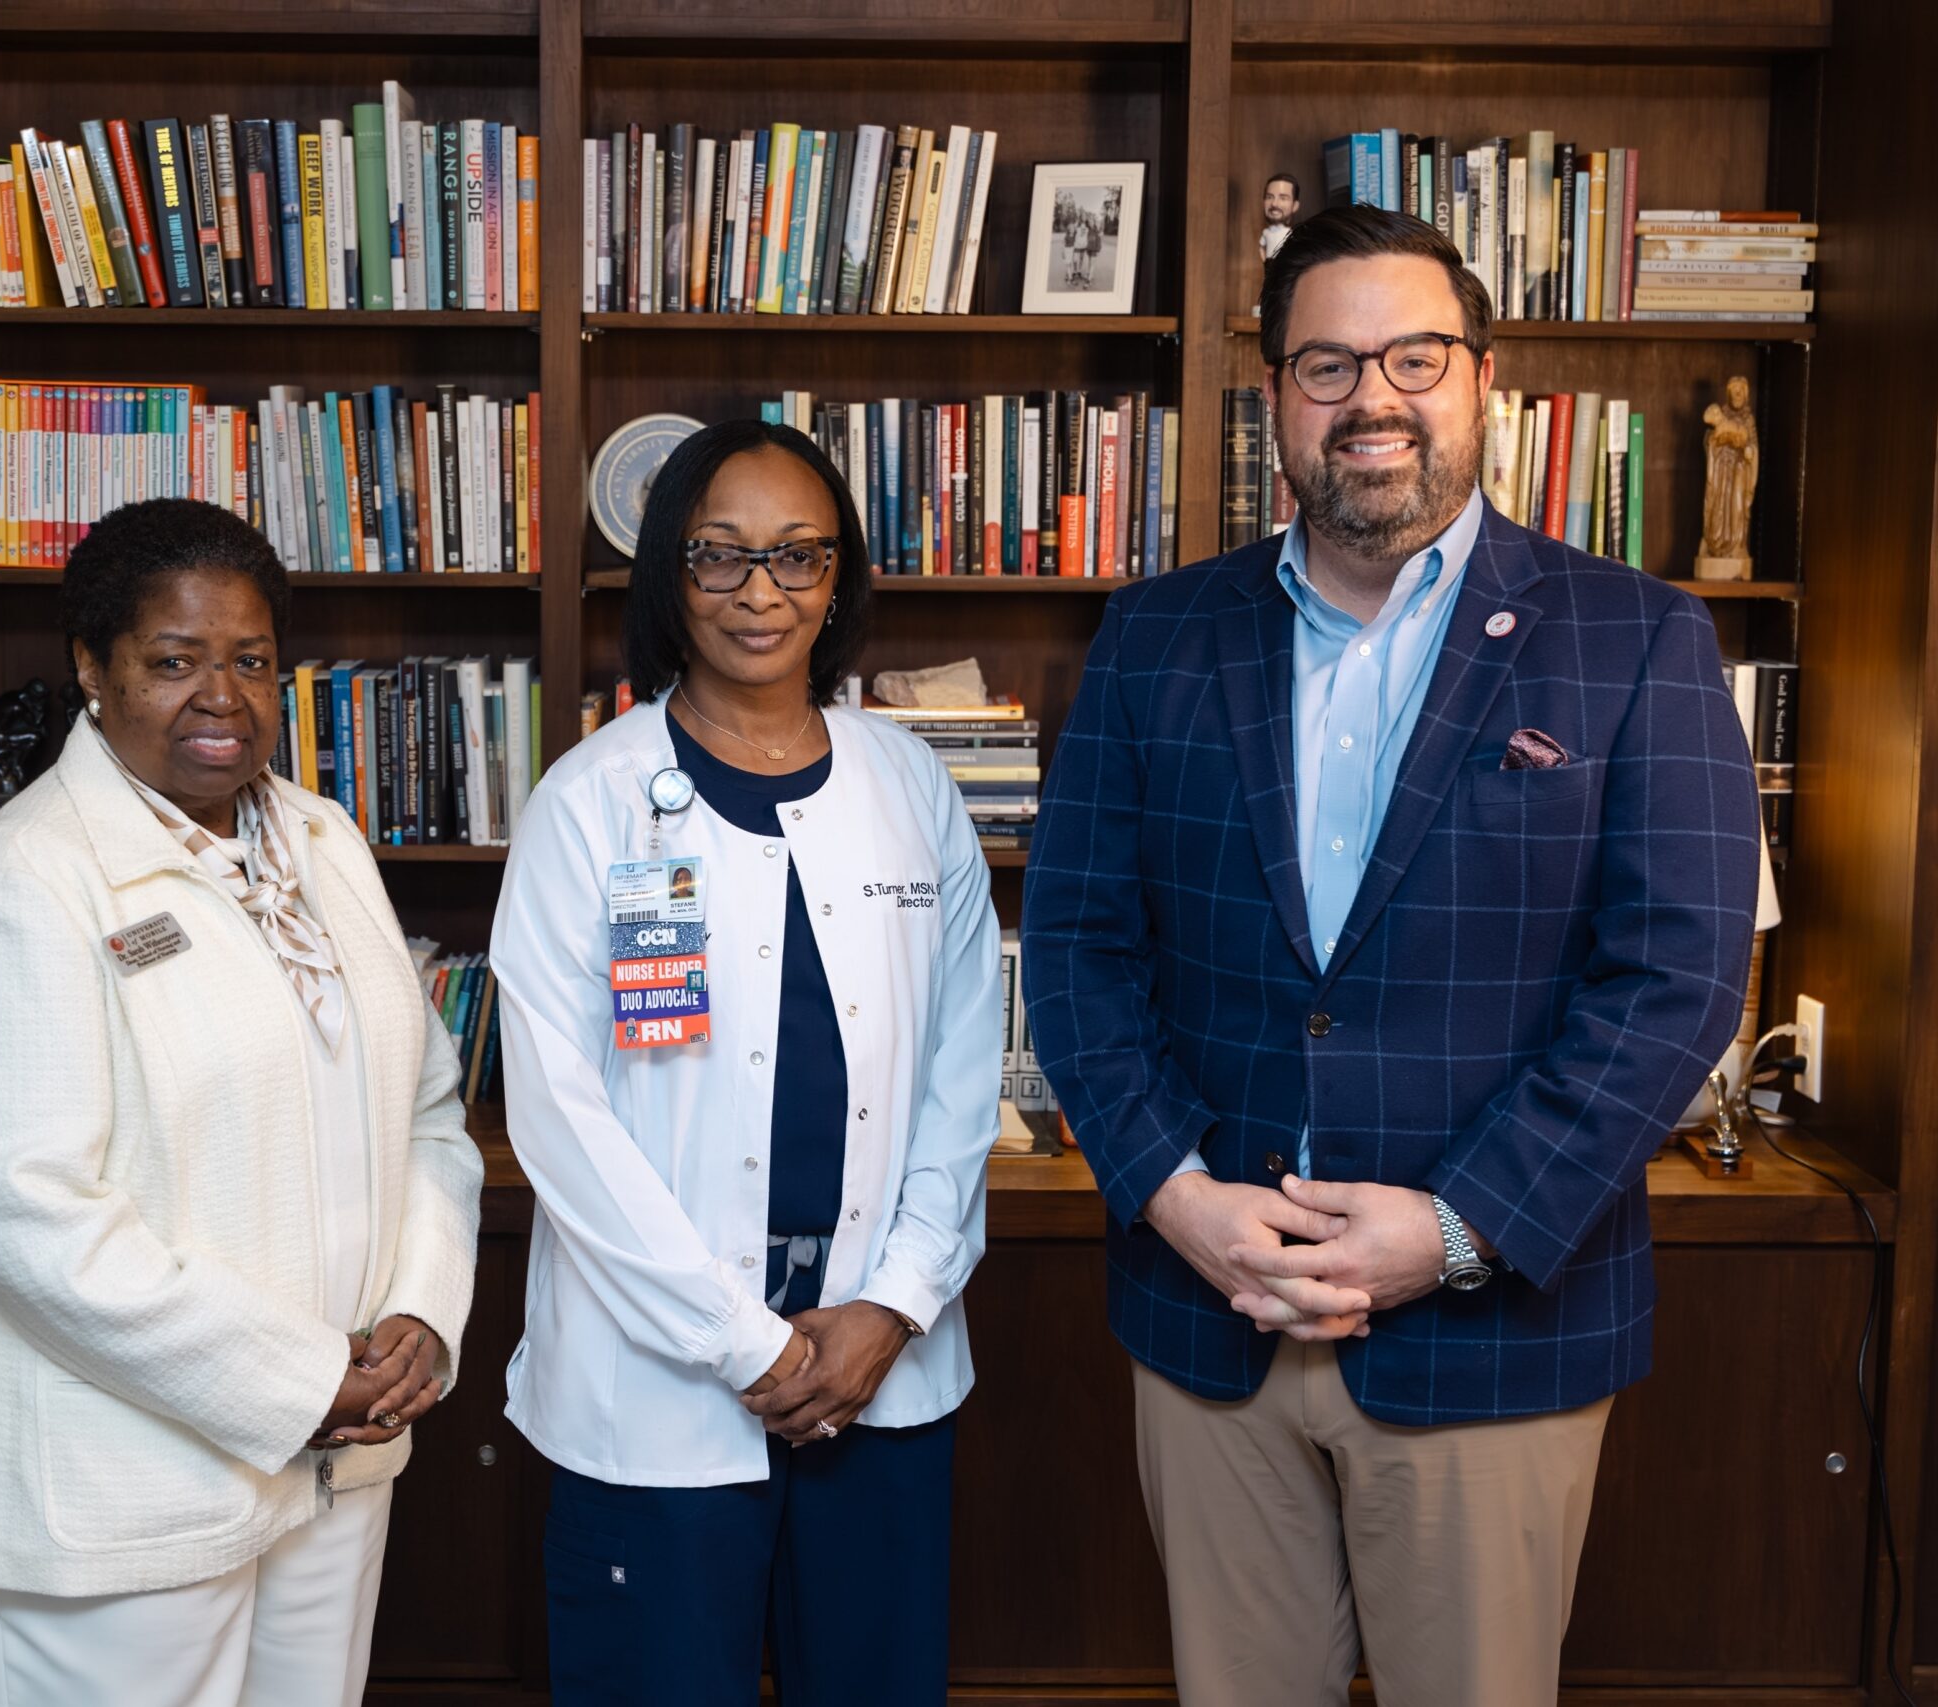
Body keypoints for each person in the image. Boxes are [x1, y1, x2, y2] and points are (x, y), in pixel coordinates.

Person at [1021, 205, 1761, 1705]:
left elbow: (1675, 984)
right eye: (1326, 363)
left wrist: (1456, 1228)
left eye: (1414, 357)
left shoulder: (1637, 638)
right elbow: (1081, 947)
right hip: (1209, 1311)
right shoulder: (1156, 638)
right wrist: (1176, 1198)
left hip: (1492, 1331)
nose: (1373, 398)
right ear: (1276, 396)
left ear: (1485, 378)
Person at [0, 498, 485, 1707]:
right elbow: (26, 1212)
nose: (220, 696)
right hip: (123, 1494)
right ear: (91, 671)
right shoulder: (29, 878)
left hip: (334, 1466)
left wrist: (419, 1314)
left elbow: (425, 1111)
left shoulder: (322, 842)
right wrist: (297, 1381)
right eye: (172, 661)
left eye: (252, 660)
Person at [489, 420, 1001, 1707]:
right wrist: (744, 1347)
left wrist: (894, 1303)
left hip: (879, 1366)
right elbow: (560, 1120)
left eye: (796, 557)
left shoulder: (911, 785)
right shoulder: (587, 803)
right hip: (658, 1391)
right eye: (720, 557)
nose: (760, 592)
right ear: (670, 576)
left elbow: (959, 1069)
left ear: (840, 582)